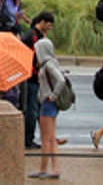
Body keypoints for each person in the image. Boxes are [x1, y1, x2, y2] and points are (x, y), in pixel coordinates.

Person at [30, 38, 64, 179]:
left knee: (46, 138)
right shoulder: (51, 62)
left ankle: (43, 168)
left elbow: (60, 80)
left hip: (47, 102)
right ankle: (54, 168)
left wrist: (53, 95)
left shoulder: (47, 65)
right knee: (51, 137)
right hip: (50, 102)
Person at [23, 12, 55, 149]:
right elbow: (37, 58)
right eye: (49, 25)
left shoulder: (34, 35)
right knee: (33, 110)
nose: (50, 28)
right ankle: (28, 139)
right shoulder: (34, 37)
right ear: (42, 22)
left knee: (36, 110)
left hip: (33, 77)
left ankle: (42, 137)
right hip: (33, 78)